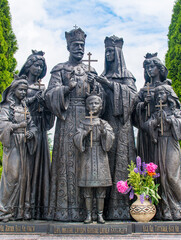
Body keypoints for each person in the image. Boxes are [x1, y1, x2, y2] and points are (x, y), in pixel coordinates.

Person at [45, 27, 102, 221]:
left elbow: (100, 100)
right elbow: (49, 95)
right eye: (75, 45)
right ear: (68, 46)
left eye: (82, 45)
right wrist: (66, 88)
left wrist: (95, 86)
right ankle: (65, 210)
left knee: (88, 162)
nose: (79, 48)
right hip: (67, 118)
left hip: (88, 120)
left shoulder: (91, 70)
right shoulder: (60, 69)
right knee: (66, 161)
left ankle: (91, 212)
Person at [92, 35, 137, 220]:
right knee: (106, 162)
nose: (108, 54)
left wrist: (109, 85)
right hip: (107, 121)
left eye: (111, 51)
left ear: (118, 53)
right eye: (107, 51)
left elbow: (132, 97)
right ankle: (103, 209)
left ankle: (123, 207)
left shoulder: (127, 75)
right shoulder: (103, 75)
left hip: (122, 125)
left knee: (122, 161)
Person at [141, 84, 181, 221]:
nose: (159, 96)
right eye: (158, 95)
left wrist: (169, 120)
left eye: (162, 93)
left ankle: (180, 210)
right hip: (159, 144)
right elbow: (145, 126)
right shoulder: (156, 112)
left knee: (173, 176)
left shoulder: (177, 112)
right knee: (161, 177)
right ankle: (165, 210)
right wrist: (155, 122)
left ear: (169, 95)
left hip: (171, 144)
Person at [0, 78, 38, 222]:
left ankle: (19, 211)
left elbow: (32, 126)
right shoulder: (7, 108)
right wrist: (18, 126)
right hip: (13, 145)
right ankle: (3, 210)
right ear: (13, 91)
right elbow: (2, 126)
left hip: (23, 144)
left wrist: (31, 132)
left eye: (25, 90)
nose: (23, 92)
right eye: (21, 89)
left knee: (24, 177)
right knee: (12, 176)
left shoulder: (25, 108)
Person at [18, 50, 54, 219]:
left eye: (41, 66)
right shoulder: (19, 83)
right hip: (24, 129)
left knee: (40, 168)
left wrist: (46, 104)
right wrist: (34, 99)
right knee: (26, 168)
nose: (39, 69)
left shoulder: (42, 87)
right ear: (28, 65)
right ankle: (23, 207)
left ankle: (39, 208)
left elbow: (48, 112)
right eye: (36, 65)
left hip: (39, 129)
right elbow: (15, 103)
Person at [73, 94, 115, 224]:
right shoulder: (83, 123)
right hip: (87, 157)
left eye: (96, 103)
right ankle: (89, 215)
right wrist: (84, 133)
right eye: (90, 103)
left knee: (101, 189)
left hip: (101, 156)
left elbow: (111, 138)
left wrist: (104, 133)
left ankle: (100, 215)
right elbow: (76, 138)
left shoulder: (104, 123)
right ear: (86, 106)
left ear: (101, 106)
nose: (93, 106)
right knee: (87, 188)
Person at [133, 53, 171, 164]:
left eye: (152, 66)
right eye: (147, 68)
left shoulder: (167, 87)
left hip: (161, 131)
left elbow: (174, 108)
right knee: (147, 160)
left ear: (159, 68)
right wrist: (144, 104)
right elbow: (134, 110)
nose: (149, 70)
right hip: (145, 132)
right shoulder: (144, 90)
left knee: (162, 161)